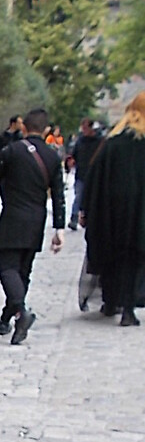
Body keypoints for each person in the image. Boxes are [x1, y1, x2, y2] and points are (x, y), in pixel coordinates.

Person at [0, 106, 65, 345]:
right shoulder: (53, 157)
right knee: (23, 272)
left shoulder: (11, 152)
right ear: (46, 130)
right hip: (37, 218)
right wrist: (59, 229)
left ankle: (21, 312)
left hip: (12, 215)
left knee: (7, 269)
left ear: (23, 127)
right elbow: (60, 195)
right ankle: (5, 319)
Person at [82, 91, 145, 326]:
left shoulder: (112, 144)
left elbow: (94, 179)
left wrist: (87, 210)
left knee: (112, 257)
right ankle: (128, 308)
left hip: (110, 215)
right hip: (140, 215)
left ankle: (110, 301)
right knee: (135, 260)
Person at [68, 117, 103, 231]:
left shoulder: (100, 142)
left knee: (92, 198)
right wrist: (71, 161)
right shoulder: (80, 141)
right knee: (79, 197)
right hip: (81, 174)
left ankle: (90, 218)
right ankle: (74, 219)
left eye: (85, 127)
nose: (83, 130)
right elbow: (74, 155)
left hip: (95, 176)